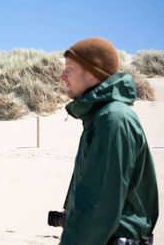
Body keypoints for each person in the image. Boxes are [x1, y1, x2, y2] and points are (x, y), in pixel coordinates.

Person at [57, 37, 159, 245]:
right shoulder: (100, 117)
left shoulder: (113, 119)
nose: (62, 76)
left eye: (70, 68)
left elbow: (98, 208)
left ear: (93, 71)